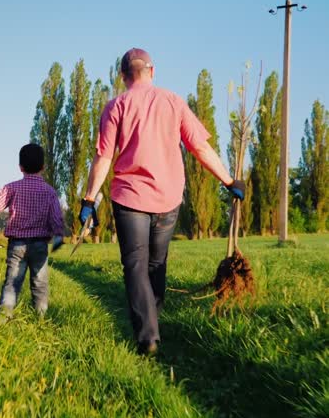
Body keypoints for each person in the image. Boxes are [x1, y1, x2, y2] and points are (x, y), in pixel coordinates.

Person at [80, 48, 245, 356]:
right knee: (156, 264)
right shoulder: (173, 101)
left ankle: (147, 335)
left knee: (135, 266)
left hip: (129, 198)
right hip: (168, 197)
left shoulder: (116, 105)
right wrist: (229, 181)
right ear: (152, 71)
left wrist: (89, 199)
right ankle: (151, 324)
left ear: (123, 76)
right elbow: (200, 147)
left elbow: (103, 156)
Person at [0, 143, 64, 318]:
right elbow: (56, 219)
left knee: (12, 284)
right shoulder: (50, 192)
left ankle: (3, 317)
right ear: (43, 167)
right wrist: (59, 235)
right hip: (40, 245)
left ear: (20, 167)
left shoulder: (12, 188)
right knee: (40, 283)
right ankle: (41, 318)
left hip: (16, 245)